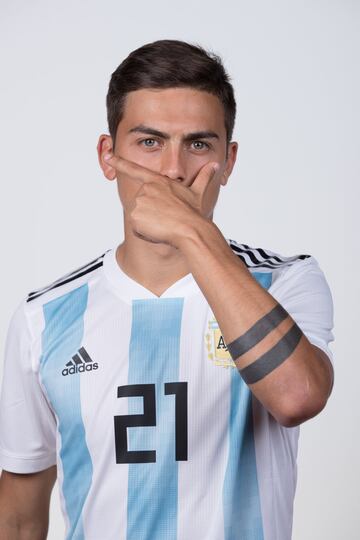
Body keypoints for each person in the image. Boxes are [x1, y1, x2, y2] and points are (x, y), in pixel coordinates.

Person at [0, 39, 334, 540]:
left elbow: (297, 397)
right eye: (149, 142)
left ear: (229, 159)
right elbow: (21, 514)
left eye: (199, 144)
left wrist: (192, 231)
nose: (174, 170)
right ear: (108, 156)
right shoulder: (43, 318)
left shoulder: (285, 281)